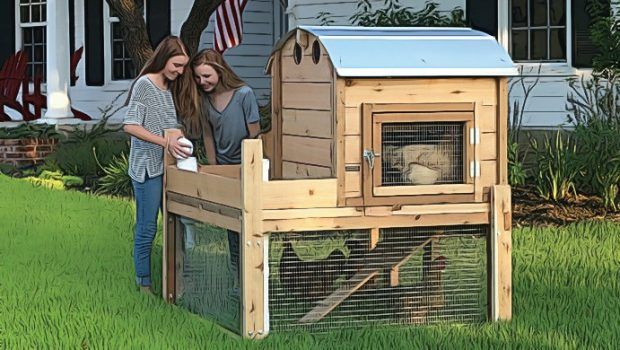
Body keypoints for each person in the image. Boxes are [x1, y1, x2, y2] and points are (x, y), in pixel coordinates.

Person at [123, 36, 198, 294]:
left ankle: (178, 281)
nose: (180, 71)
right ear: (164, 59)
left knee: (177, 224)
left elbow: (169, 128)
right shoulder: (145, 85)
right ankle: (144, 284)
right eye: (176, 65)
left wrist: (179, 140)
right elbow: (130, 125)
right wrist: (164, 142)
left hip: (170, 167)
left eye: (183, 67)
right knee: (147, 227)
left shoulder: (168, 89)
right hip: (147, 168)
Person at [184, 48, 261, 291]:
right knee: (232, 228)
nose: (202, 82)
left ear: (220, 70)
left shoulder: (244, 94)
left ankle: (254, 278)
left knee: (249, 224)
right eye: (198, 78)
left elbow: (255, 133)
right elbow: (208, 135)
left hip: (246, 167)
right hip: (223, 166)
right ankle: (238, 278)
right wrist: (215, 168)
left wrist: (249, 167)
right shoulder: (204, 100)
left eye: (206, 76)